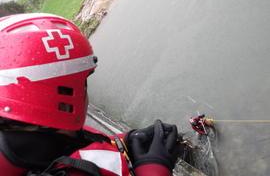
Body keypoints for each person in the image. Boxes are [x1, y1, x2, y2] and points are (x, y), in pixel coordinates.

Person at [0, 13, 184, 176]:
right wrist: (155, 168)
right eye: (83, 82)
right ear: (62, 99)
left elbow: (76, 144)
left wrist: (126, 140)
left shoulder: (31, 139)